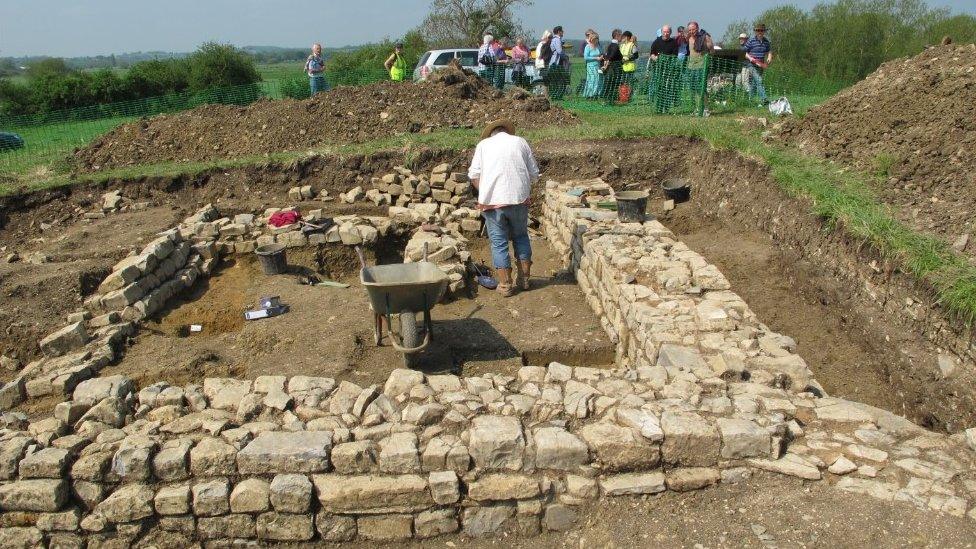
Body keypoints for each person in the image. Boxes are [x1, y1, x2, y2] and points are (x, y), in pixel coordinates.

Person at [468, 119, 539, 297]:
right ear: (507, 131)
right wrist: (522, 187)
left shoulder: (483, 145)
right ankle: (524, 279)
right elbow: (534, 173)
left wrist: (485, 191)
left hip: (493, 204)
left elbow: (473, 175)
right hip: (518, 200)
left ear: (491, 133)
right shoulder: (520, 142)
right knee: (521, 236)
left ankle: (506, 285)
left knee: (499, 243)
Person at [649, 25, 681, 112]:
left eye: (667, 32)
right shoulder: (656, 41)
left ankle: (666, 108)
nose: (666, 33)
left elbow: (675, 55)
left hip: (669, 69)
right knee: (659, 88)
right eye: (664, 32)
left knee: (668, 88)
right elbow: (652, 54)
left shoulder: (674, 42)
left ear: (670, 33)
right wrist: (655, 58)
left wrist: (668, 60)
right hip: (658, 69)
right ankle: (659, 107)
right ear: (662, 32)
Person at [684, 22, 714, 114]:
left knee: (701, 88)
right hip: (691, 66)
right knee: (693, 88)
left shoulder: (705, 37)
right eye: (690, 30)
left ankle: (706, 108)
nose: (692, 31)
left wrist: (707, 45)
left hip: (702, 66)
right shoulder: (688, 38)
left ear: (697, 28)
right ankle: (697, 108)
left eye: (693, 29)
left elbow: (712, 51)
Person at [742, 23, 772, 105]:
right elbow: (743, 52)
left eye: (761, 30)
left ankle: (749, 100)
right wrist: (751, 59)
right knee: (759, 80)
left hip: (761, 64)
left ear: (764, 31)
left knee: (755, 83)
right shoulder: (751, 40)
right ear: (755, 31)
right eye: (758, 30)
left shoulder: (766, 42)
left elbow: (769, 51)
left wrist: (769, 57)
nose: (760, 32)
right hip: (751, 64)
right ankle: (764, 99)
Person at [548, 26, 570, 99]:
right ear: (558, 32)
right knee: (559, 81)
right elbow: (559, 51)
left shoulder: (555, 39)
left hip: (554, 63)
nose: (563, 32)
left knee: (556, 81)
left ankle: (556, 96)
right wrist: (566, 57)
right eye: (562, 31)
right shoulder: (557, 40)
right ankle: (557, 96)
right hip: (556, 63)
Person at [602, 29, 624, 102]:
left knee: (611, 83)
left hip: (612, 67)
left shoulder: (611, 45)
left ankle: (610, 98)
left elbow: (607, 55)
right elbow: (611, 56)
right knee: (614, 83)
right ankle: (611, 99)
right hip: (615, 68)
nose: (622, 38)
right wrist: (607, 63)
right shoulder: (615, 46)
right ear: (617, 36)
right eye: (621, 36)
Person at [582, 32, 603, 98]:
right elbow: (586, 57)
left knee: (597, 79)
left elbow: (601, 53)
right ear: (592, 39)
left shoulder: (598, 47)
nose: (597, 40)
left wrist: (602, 57)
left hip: (598, 65)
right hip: (590, 66)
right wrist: (596, 58)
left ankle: (595, 93)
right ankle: (589, 94)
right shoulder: (587, 47)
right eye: (596, 39)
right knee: (592, 79)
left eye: (597, 39)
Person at [619, 31, 639, 99]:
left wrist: (628, 58)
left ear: (627, 37)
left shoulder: (632, 45)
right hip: (622, 66)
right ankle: (623, 96)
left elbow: (636, 56)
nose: (622, 38)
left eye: (623, 37)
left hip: (630, 67)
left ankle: (630, 96)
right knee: (623, 82)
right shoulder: (622, 45)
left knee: (630, 82)